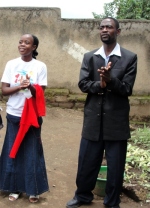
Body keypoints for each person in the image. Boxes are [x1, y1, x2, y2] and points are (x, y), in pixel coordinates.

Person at [66, 17, 137, 208]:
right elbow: (83, 84)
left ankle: (112, 202)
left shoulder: (129, 57)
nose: (105, 30)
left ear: (118, 31)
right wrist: (101, 83)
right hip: (93, 120)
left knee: (115, 166)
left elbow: (127, 89)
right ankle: (82, 196)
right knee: (87, 162)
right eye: (102, 27)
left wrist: (111, 80)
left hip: (116, 121)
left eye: (109, 27)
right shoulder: (90, 56)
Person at [0, 34, 49, 203]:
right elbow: (4, 90)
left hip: (32, 116)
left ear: (34, 47)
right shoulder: (11, 64)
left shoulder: (40, 66)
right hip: (14, 114)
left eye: (26, 42)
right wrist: (19, 86)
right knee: (13, 151)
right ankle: (14, 188)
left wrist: (31, 86)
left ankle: (33, 189)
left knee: (32, 152)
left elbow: (40, 93)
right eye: (20, 42)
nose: (22, 45)